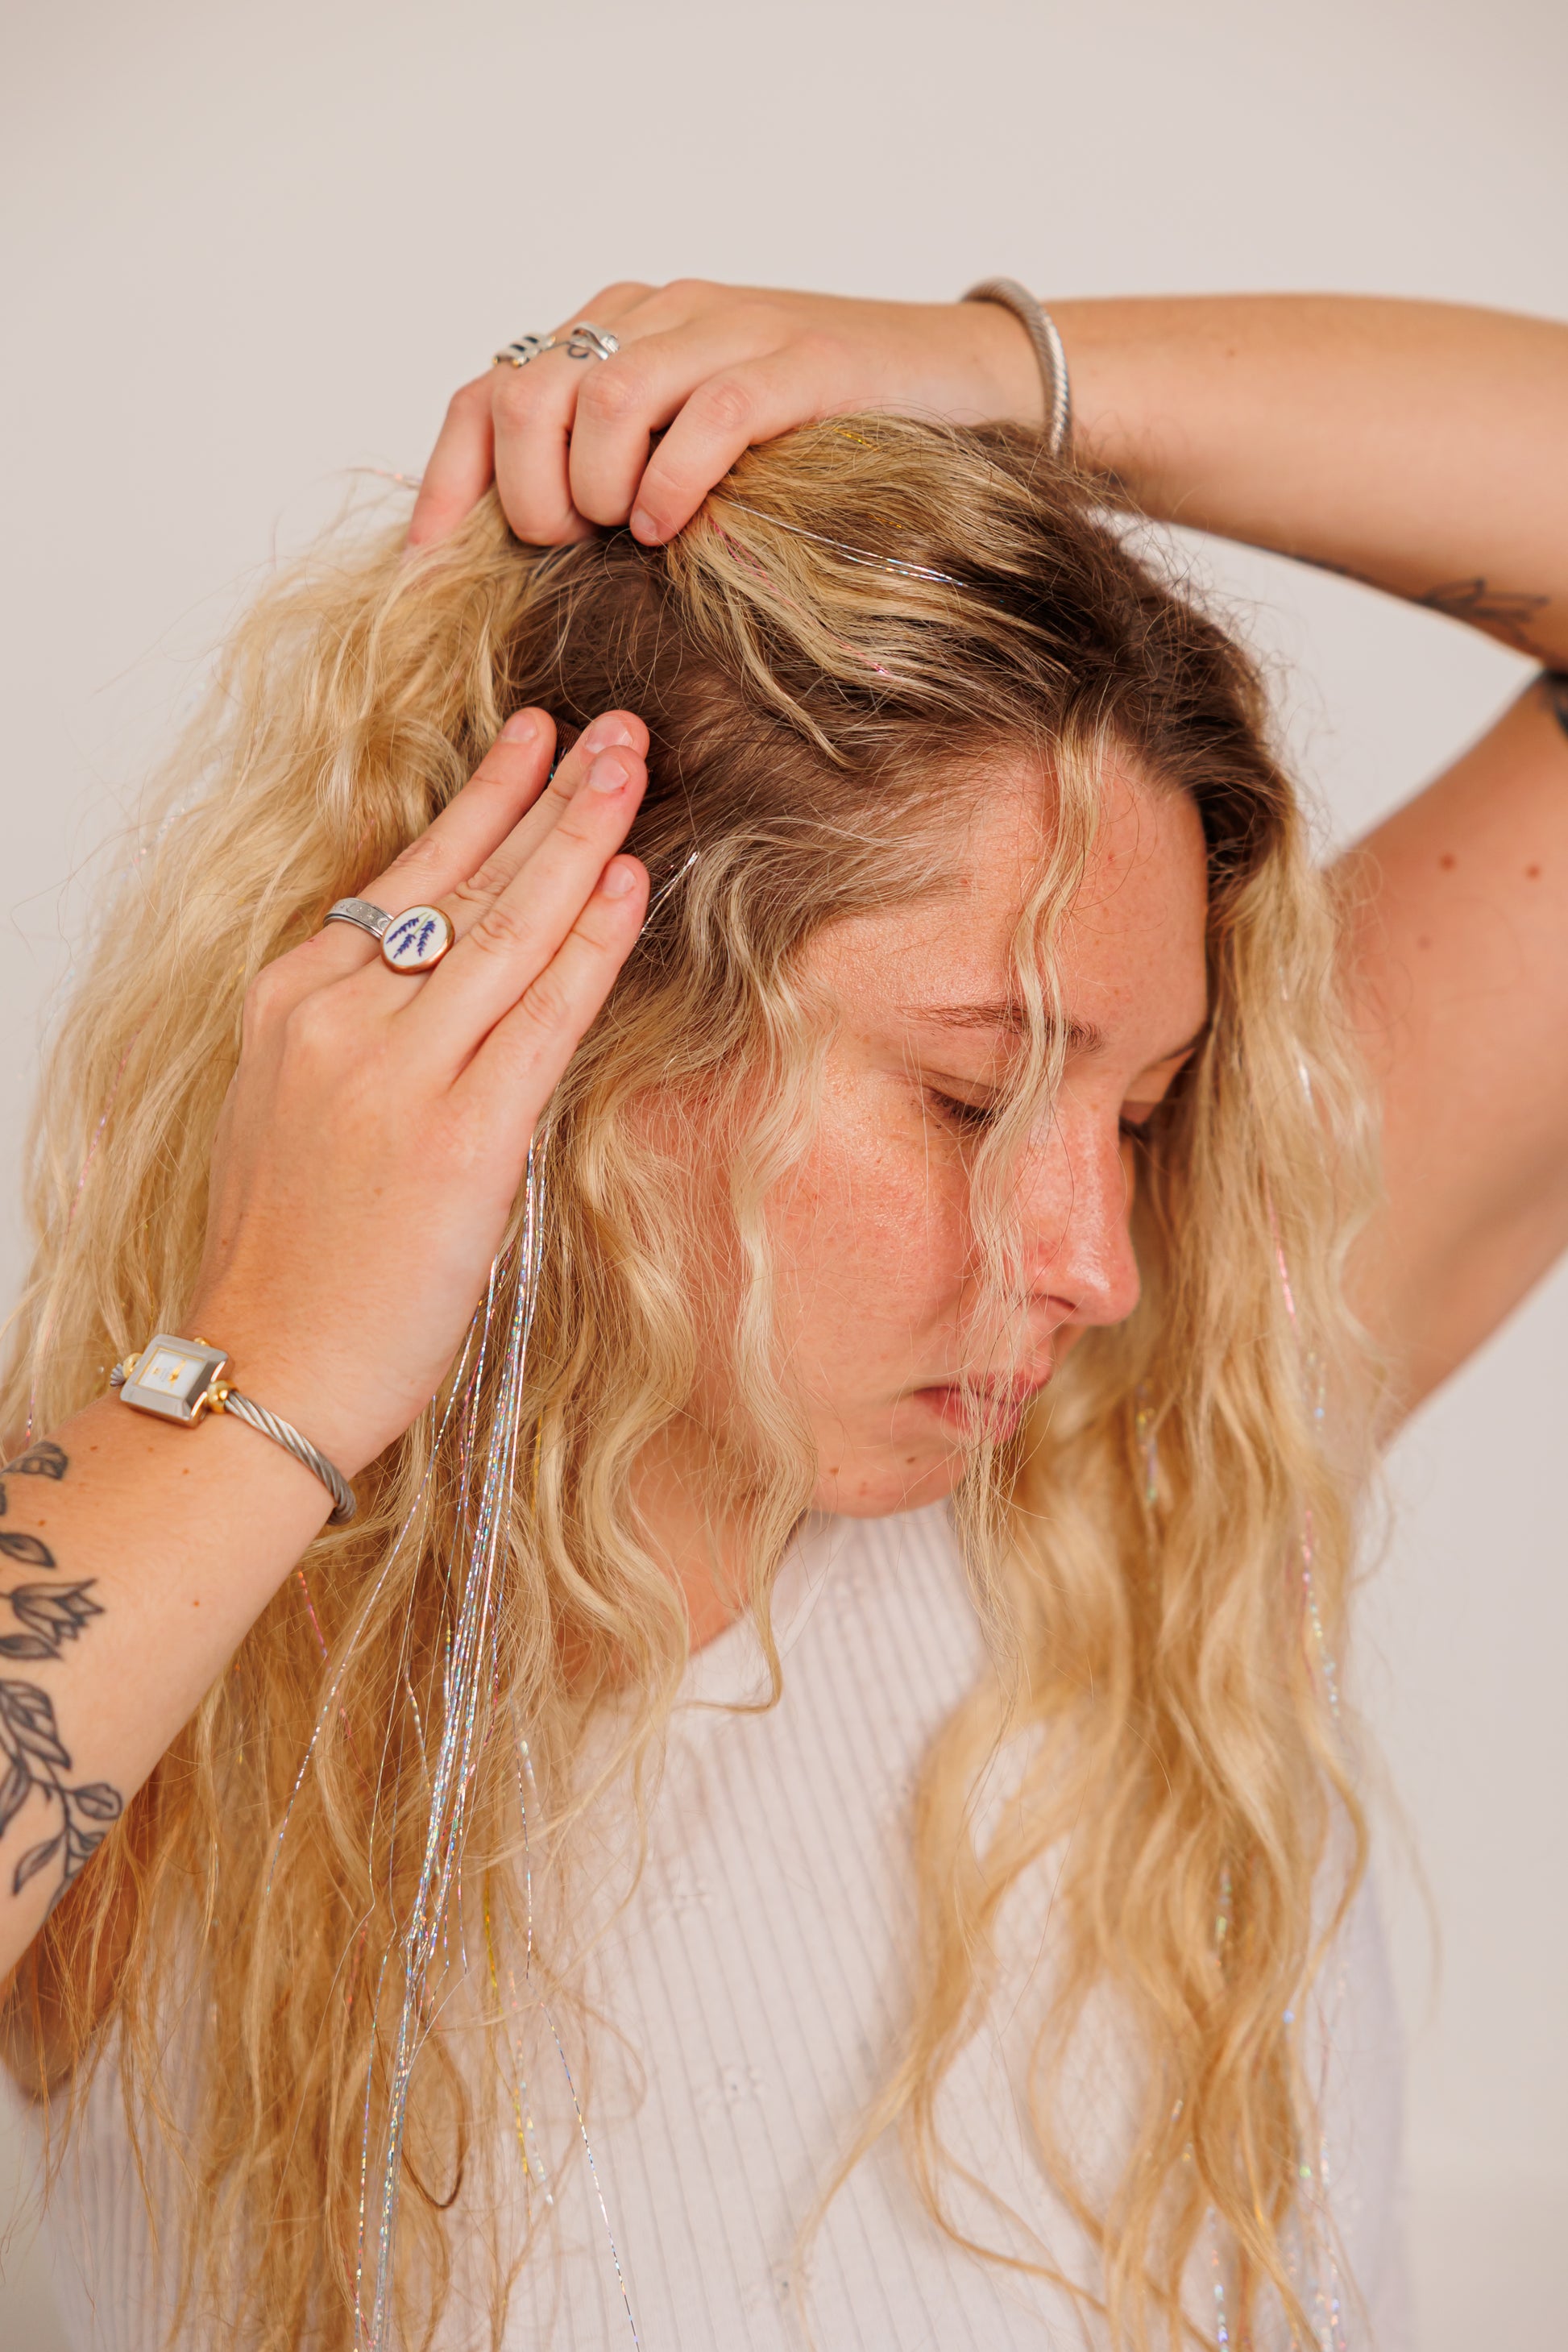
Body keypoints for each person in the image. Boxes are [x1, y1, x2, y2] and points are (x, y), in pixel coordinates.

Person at [0, 283, 1564, 2352]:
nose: (1095, 1258)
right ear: (567, 1008)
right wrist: (276, 1368)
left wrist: (990, 378)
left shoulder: (1155, 1430)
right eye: (973, 1093)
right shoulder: (177, 1627)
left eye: (1145, 1107)